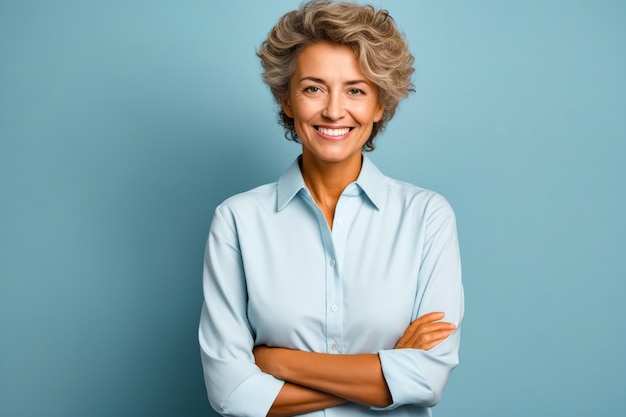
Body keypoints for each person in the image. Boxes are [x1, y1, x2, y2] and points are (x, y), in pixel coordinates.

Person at [198, 1, 464, 416]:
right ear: (287, 100)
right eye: (313, 88)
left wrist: (277, 362)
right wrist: (385, 372)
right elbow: (231, 394)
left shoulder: (426, 217)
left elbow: (428, 379)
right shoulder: (237, 221)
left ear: (380, 106)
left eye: (356, 90)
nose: (334, 110)